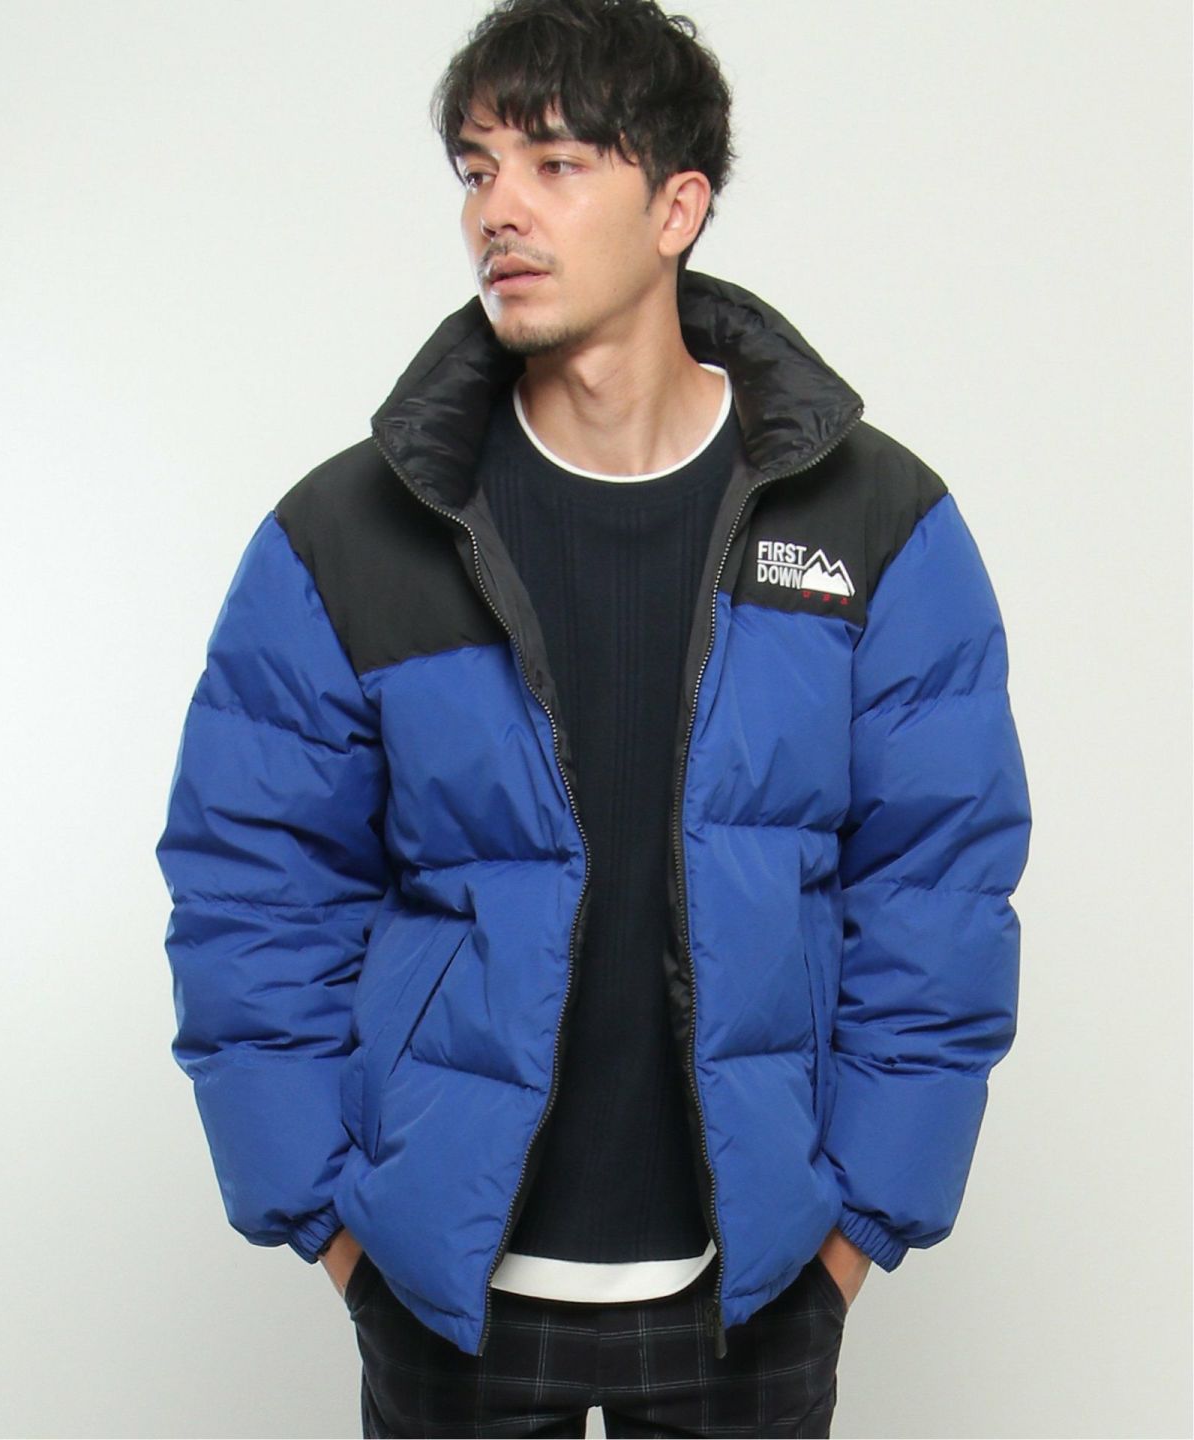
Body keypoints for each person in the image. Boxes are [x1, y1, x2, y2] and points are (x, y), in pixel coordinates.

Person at [155, 0, 1031, 1434]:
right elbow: (252, 889)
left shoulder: (877, 521)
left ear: (678, 207)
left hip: (754, 1294)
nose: (497, 208)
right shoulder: (349, 535)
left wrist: (855, 1234)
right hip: (447, 1299)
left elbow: (937, 887)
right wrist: (330, 1225)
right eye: (476, 168)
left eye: (555, 164)